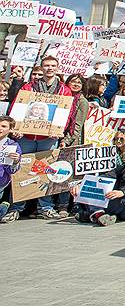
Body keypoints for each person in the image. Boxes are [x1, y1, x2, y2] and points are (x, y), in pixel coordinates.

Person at [7, 55, 71, 219]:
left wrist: (58, 129)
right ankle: (16, 207)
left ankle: (46, 207)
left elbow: (66, 113)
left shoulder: (63, 90)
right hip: (26, 136)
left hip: (48, 138)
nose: (50, 68)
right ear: (41, 68)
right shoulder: (28, 88)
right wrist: (17, 128)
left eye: (53, 65)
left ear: (57, 68)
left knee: (46, 170)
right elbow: (18, 107)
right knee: (22, 170)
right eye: (46, 65)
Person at [72, 144, 125, 226]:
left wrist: (123, 192)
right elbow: (105, 177)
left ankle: (93, 214)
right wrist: (81, 185)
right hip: (120, 198)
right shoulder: (123, 168)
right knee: (94, 192)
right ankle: (99, 215)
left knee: (122, 201)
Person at [0, 116, 22, 221]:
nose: (0, 129)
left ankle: (4, 206)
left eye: (4, 126)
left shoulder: (13, 146)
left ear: (10, 129)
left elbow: (12, 171)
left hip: (2, 182)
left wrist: (16, 161)